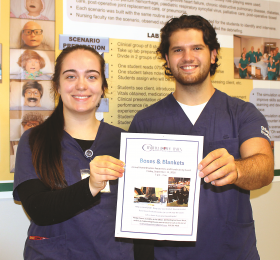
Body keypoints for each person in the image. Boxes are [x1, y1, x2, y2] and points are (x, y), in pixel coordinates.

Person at [129, 15, 274, 260]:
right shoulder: (145, 122)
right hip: (168, 254)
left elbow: (265, 167)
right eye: (178, 50)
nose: (187, 57)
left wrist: (236, 169)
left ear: (213, 54)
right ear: (166, 58)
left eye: (197, 48)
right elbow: (140, 197)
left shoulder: (243, 113)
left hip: (232, 251)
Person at [13, 45, 134, 259]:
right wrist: (90, 186)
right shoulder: (33, 140)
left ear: (103, 86)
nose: (81, 85)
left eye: (91, 77)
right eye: (70, 76)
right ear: (57, 86)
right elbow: (37, 209)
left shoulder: (125, 142)